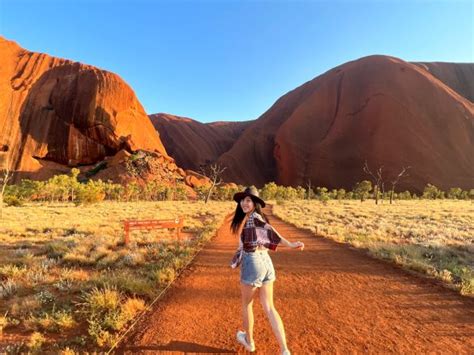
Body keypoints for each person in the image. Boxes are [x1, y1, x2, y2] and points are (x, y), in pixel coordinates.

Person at [230, 186, 304, 355]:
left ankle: (249, 342)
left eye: (248, 200)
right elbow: (267, 235)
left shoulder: (254, 219)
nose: (244, 203)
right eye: (243, 200)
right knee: (270, 307)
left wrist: (291, 244)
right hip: (266, 263)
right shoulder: (254, 218)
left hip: (253, 263)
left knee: (246, 305)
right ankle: (284, 350)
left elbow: (273, 234)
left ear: (255, 203)